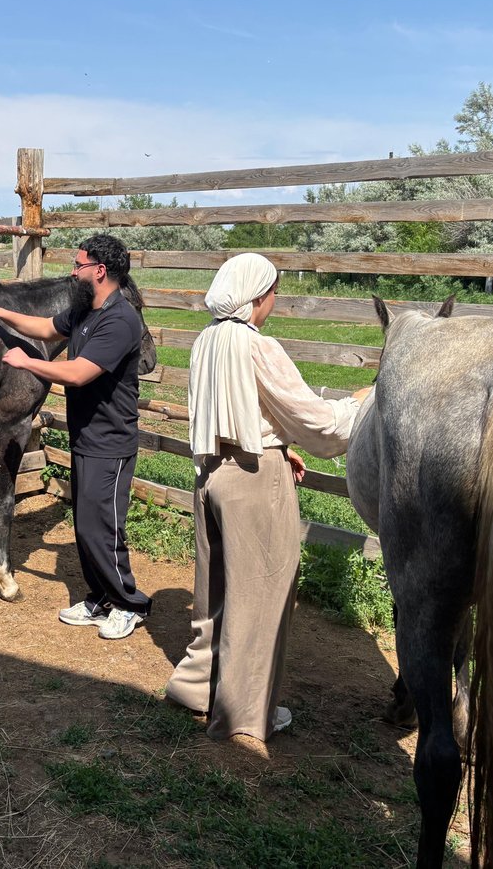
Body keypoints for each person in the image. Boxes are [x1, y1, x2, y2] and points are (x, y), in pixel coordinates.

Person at [165, 252, 372, 744]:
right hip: (254, 482)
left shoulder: (207, 340)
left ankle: (197, 687)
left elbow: (230, 409)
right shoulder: (258, 347)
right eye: (274, 292)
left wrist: (277, 445)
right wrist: (363, 401)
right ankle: (243, 713)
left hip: (212, 472)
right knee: (261, 596)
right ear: (260, 296)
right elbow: (320, 424)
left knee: (213, 589)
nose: (274, 301)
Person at [0, 233, 152, 640]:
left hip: (110, 438)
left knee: (104, 527)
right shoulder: (86, 309)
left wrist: (28, 362)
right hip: (88, 434)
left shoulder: (120, 320)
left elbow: (79, 372)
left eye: (78, 265)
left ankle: (130, 604)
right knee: (85, 525)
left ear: (100, 271)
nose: (73, 271)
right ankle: (100, 598)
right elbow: (44, 327)